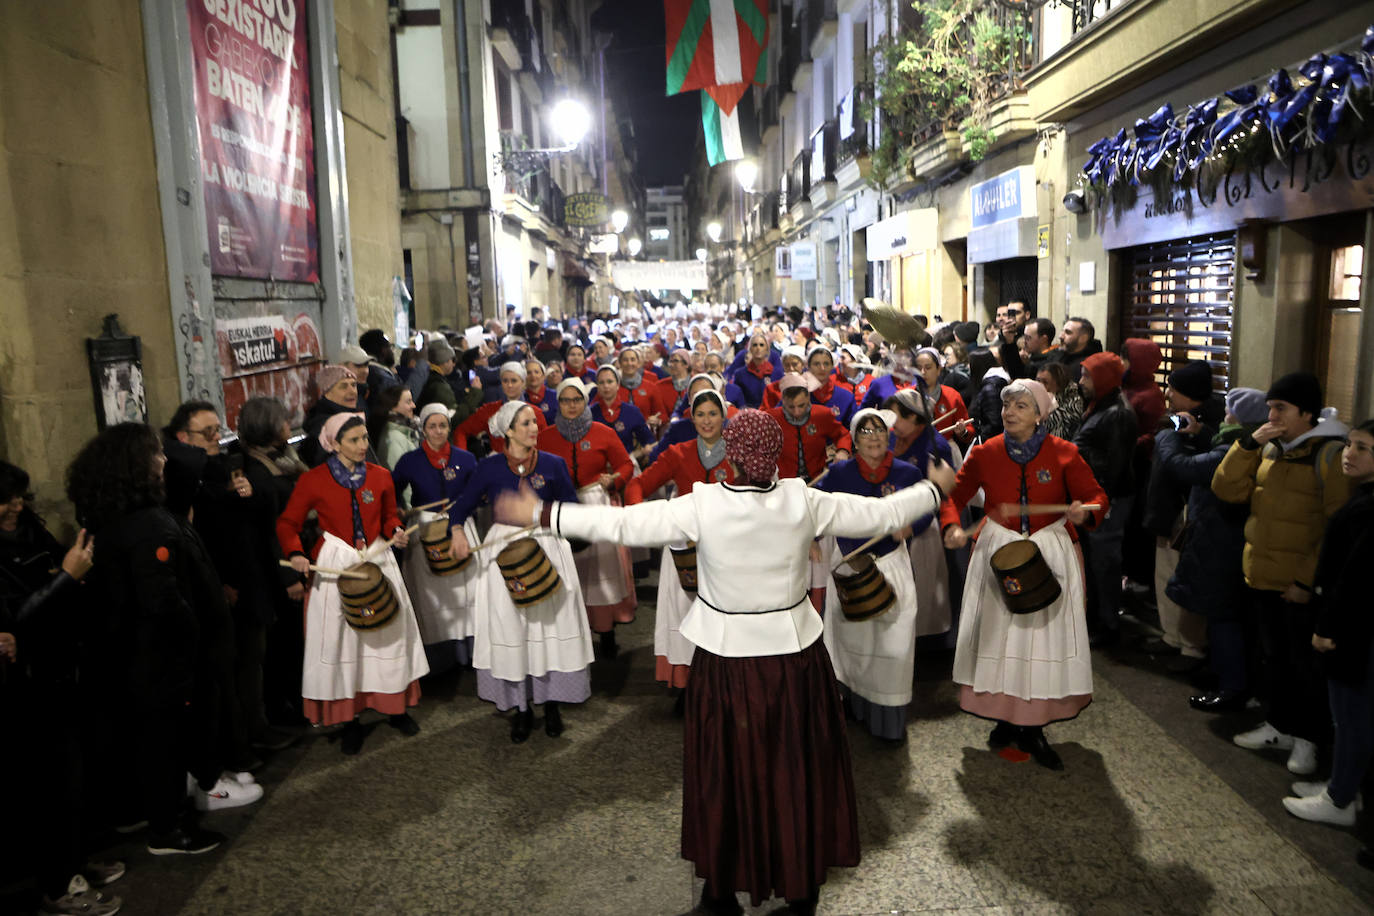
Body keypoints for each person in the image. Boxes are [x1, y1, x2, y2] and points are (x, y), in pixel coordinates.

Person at [493, 408, 955, 914]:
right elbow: (880, 515)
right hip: (793, 663)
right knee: (795, 772)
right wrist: (933, 490)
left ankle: (720, 895)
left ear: (731, 456)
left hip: (726, 664)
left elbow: (624, 523)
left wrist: (544, 514)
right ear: (775, 452)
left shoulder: (703, 504)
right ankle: (800, 895)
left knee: (725, 774)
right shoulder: (803, 499)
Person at [66, 423, 253, 856]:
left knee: (153, 743)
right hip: (161, 662)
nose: (164, 461)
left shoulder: (113, 516)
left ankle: (157, 816)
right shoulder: (150, 527)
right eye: (156, 455)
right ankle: (168, 831)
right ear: (136, 466)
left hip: (139, 659)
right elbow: (162, 602)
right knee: (163, 746)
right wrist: (195, 641)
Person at [941, 380, 1108, 770]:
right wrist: (952, 526)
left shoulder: (1065, 453)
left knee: (1040, 641)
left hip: (1049, 552)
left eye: (1020, 405)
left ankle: (1034, 726)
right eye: (1006, 405)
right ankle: (1004, 716)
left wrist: (1086, 511)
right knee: (1000, 636)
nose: (1009, 412)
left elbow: (1098, 497)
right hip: (998, 551)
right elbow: (954, 497)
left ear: (1039, 414)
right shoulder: (984, 453)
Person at [0, 462, 124, 916]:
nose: (16, 507)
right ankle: (58, 884)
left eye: (20, 497)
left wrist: (75, 568)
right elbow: (16, 620)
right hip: (27, 685)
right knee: (48, 786)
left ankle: (74, 861)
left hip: (64, 667)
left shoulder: (31, 529)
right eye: (7, 500)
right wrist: (65, 578)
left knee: (77, 775)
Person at [1213, 371, 1350, 776]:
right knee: (1274, 660)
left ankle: (1308, 740)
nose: (1271, 415)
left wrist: (1308, 580)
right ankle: (1279, 725)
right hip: (1262, 573)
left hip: (1297, 583)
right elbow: (1226, 489)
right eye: (1270, 407)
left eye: (1281, 408)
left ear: (1307, 413)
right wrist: (1246, 445)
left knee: (1304, 667)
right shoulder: (1272, 449)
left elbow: (1334, 527)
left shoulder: (1329, 455)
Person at [277, 413, 428, 755]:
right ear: (333, 443)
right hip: (336, 564)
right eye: (355, 440)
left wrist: (395, 532)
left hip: (377, 559)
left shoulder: (380, 476)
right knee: (342, 641)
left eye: (365, 439)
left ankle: (395, 708)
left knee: (386, 633)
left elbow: (390, 514)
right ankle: (350, 721)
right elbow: (287, 524)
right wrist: (296, 552)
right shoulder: (313, 481)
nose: (363, 446)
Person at [446, 401, 593, 743]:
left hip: (548, 547)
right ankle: (522, 710)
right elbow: (462, 507)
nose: (533, 428)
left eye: (535, 422)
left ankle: (552, 703)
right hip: (504, 554)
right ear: (508, 431)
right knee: (513, 628)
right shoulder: (489, 468)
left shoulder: (554, 465)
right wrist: (456, 532)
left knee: (550, 626)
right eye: (525, 423)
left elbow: (570, 507)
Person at [817, 409, 926, 746]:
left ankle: (888, 719)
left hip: (892, 564)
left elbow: (926, 508)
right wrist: (809, 536)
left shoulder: (907, 473)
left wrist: (913, 525)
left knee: (895, 643)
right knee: (852, 642)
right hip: (851, 566)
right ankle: (851, 704)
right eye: (865, 431)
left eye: (879, 430)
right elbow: (814, 506)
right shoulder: (838, 473)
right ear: (854, 438)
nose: (874, 436)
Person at [1283, 419, 1374, 826]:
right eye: (1351, 444)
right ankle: (1343, 786)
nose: (1350, 454)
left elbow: (1356, 576)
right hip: (1352, 623)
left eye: (1364, 449)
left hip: (1355, 629)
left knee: (1353, 715)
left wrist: (1328, 627)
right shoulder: (1364, 496)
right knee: (1348, 712)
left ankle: (1339, 799)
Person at [625, 388, 737, 696]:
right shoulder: (679, 452)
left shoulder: (738, 453)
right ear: (691, 416)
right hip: (684, 550)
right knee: (686, 615)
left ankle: (723, 682)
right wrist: (640, 514)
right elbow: (638, 483)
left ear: (723, 416)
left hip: (727, 548)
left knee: (724, 615)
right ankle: (689, 684)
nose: (706, 420)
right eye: (700, 414)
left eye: (713, 413)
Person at [1162, 388, 1268, 712]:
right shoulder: (1237, 442)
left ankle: (1231, 685)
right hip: (1220, 538)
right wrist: (1201, 432)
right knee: (1222, 615)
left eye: (1230, 410)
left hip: (1223, 540)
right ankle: (1225, 675)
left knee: (1224, 617)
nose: (1225, 414)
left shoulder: (1241, 448)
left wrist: (1168, 436)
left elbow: (1188, 467)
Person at [537, 379, 637, 657]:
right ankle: (571, 633)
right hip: (560, 510)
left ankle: (606, 632)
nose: (571, 405)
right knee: (568, 570)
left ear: (585, 402)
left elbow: (626, 465)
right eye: (566, 400)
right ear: (559, 404)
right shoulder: (545, 436)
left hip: (595, 504)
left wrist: (614, 479)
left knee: (601, 570)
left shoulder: (603, 432)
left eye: (577, 400)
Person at [235, 397, 310, 729]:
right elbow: (270, 531)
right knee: (286, 642)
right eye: (282, 421)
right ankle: (287, 707)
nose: (287, 426)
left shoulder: (279, 460)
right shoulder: (259, 474)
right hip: (282, 571)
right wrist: (289, 577)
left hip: (297, 557)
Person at [1139, 361, 1222, 661]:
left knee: (1183, 577)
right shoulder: (1176, 419)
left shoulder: (1210, 426)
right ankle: (1171, 636)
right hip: (1166, 509)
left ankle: (1191, 645)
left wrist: (1187, 435)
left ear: (1189, 393)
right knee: (1164, 574)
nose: (1169, 394)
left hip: (1186, 513)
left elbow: (1190, 467)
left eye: (1173, 389)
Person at [391, 404, 481, 675]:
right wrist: (399, 511)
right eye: (432, 426)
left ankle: (472, 652)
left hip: (460, 525)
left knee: (469, 588)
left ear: (449, 428)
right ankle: (441, 657)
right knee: (433, 593)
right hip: (424, 528)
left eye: (443, 425)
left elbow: (476, 490)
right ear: (423, 429)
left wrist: (467, 507)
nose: (438, 431)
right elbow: (392, 492)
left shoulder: (466, 458)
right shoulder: (409, 461)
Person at [1073, 352, 1138, 645]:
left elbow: (1114, 465)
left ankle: (1108, 625)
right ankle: (1096, 618)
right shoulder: (1099, 406)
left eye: (1086, 375)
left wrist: (1100, 503)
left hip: (1106, 499)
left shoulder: (1117, 414)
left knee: (1105, 562)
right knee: (1094, 560)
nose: (1080, 381)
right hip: (1095, 496)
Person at [884, 389, 956, 637]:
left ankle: (924, 643)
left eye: (896, 417)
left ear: (914, 418)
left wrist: (913, 527)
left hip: (921, 527)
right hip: (890, 521)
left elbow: (939, 496)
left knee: (922, 586)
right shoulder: (891, 438)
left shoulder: (937, 447)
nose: (891, 423)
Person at [767, 375, 852, 482]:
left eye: (801, 405)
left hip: (817, 478)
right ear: (783, 400)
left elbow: (843, 434)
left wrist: (843, 451)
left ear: (808, 398)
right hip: (783, 481)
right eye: (791, 407)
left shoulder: (822, 414)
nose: (797, 412)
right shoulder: (770, 419)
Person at [450, 361, 548, 454]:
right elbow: (461, 430)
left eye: (514, 381)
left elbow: (546, 444)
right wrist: (464, 460)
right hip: (498, 465)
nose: (509, 385)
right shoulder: (490, 410)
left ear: (523, 383)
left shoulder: (536, 413)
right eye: (505, 381)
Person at [301, 364, 366, 467]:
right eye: (343, 387)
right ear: (327, 393)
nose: (352, 391)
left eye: (353, 385)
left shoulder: (352, 417)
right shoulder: (324, 427)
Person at [591, 364, 654, 465]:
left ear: (617, 384)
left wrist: (647, 447)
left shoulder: (632, 411)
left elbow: (648, 439)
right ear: (597, 386)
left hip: (627, 465)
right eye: (601, 382)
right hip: (597, 467)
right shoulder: (589, 413)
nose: (606, 386)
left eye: (610, 381)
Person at [913, 347, 973, 451]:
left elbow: (969, 431)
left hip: (945, 451)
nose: (922, 372)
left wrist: (963, 432)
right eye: (918, 368)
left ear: (939, 369)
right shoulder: (906, 395)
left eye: (928, 367)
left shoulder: (952, 396)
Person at [368, 385, 419, 470]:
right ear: (392, 406)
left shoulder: (406, 431)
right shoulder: (393, 438)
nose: (414, 405)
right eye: (408, 402)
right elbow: (402, 477)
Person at [806, 347, 857, 428]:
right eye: (816, 364)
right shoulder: (797, 395)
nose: (822, 368)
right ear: (808, 367)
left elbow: (852, 430)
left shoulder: (846, 397)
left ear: (832, 366)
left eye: (826, 364)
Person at [731, 333, 782, 408]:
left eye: (761, 345)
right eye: (755, 345)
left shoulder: (777, 373)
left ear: (767, 349)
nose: (758, 348)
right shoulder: (740, 374)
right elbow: (738, 399)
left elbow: (781, 399)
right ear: (750, 349)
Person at [1037, 362, 1085, 441]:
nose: (1040, 386)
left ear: (1059, 384)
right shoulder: (1034, 401)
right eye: (1038, 381)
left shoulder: (1074, 402)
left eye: (1045, 382)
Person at [523, 358, 558, 424]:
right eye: (528, 373)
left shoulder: (555, 396)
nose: (533, 375)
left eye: (536, 372)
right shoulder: (521, 398)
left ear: (543, 376)